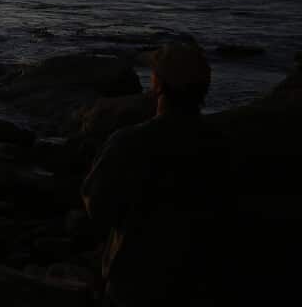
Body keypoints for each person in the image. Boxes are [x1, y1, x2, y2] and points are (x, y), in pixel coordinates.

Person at [81, 42, 220, 306]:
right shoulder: (220, 141)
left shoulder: (129, 142)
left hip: (135, 281)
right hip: (201, 280)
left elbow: (97, 206)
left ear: (158, 85)